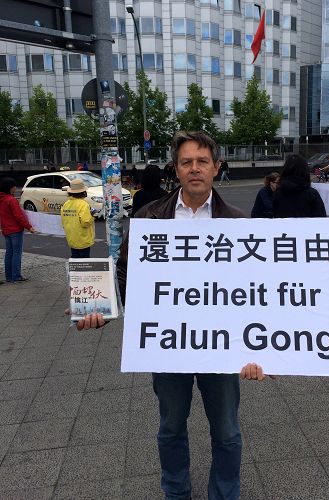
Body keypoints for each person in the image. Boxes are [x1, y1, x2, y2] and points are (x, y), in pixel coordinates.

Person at [75, 131, 266, 500]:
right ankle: (176, 492)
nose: (195, 168)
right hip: (168, 344)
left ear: (216, 167)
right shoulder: (150, 217)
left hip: (221, 348)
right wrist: (99, 308)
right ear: (175, 170)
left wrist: (261, 351)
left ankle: (224, 494)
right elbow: (126, 275)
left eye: (202, 161)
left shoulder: (240, 224)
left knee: (227, 431)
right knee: (170, 427)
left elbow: (259, 292)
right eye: (186, 162)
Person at [0, 177, 35, 283]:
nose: (15, 189)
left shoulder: (1, 199)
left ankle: (9, 276)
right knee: (16, 253)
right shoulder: (11, 200)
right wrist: (29, 227)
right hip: (15, 230)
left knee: (9, 253)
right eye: (14, 187)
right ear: (10, 188)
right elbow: (19, 216)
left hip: (6, 230)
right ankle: (16, 275)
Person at [61, 178, 95, 258]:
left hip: (71, 238)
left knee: (75, 261)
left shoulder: (66, 204)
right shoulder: (83, 204)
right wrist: (92, 216)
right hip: (83, 239)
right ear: (83, 192)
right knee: (84, 263)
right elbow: (85, 222)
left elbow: (63, 221)